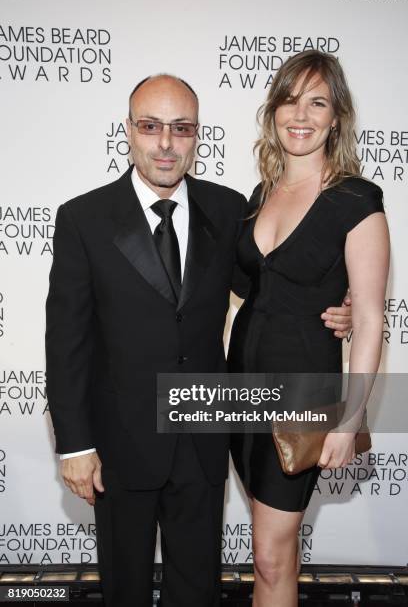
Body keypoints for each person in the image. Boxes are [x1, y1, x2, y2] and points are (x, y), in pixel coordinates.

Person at [46, 74, 352, 607]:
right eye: (151, 126)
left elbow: (270, 284)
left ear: (197, 135)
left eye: (181, 128)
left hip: (204, 438)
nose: (166, 143)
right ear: (129, 131)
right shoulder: (84, 219)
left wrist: (338, 309)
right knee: (126, 590)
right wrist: (75, 445)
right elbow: (66, 341)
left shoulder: (231, 209)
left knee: (197, 591)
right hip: (120, 443)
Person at [228, 51, 390, 607]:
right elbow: (249, 290)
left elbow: (370, 319)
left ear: (336, 116)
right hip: (240, 389)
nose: (301, 114)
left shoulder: (356, 201)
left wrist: (347, 421)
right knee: (271, 553)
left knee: (271, 557)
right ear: (273, 111)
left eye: (316, 101)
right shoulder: (259, 196)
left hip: (303, 397)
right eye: (289, 99)